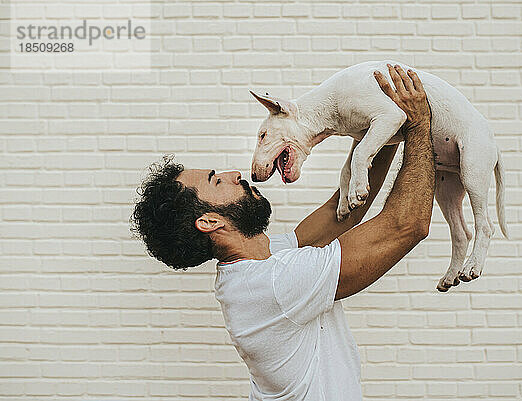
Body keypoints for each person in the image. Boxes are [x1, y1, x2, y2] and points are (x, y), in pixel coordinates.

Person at [130, 65, 435, 401]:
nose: (235, 173)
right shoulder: (272, 285)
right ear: (209, 222)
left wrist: (385, 123)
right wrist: (418, 124)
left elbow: (344, 214)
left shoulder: (260, 262)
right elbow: (407, 225)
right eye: (217, 181)